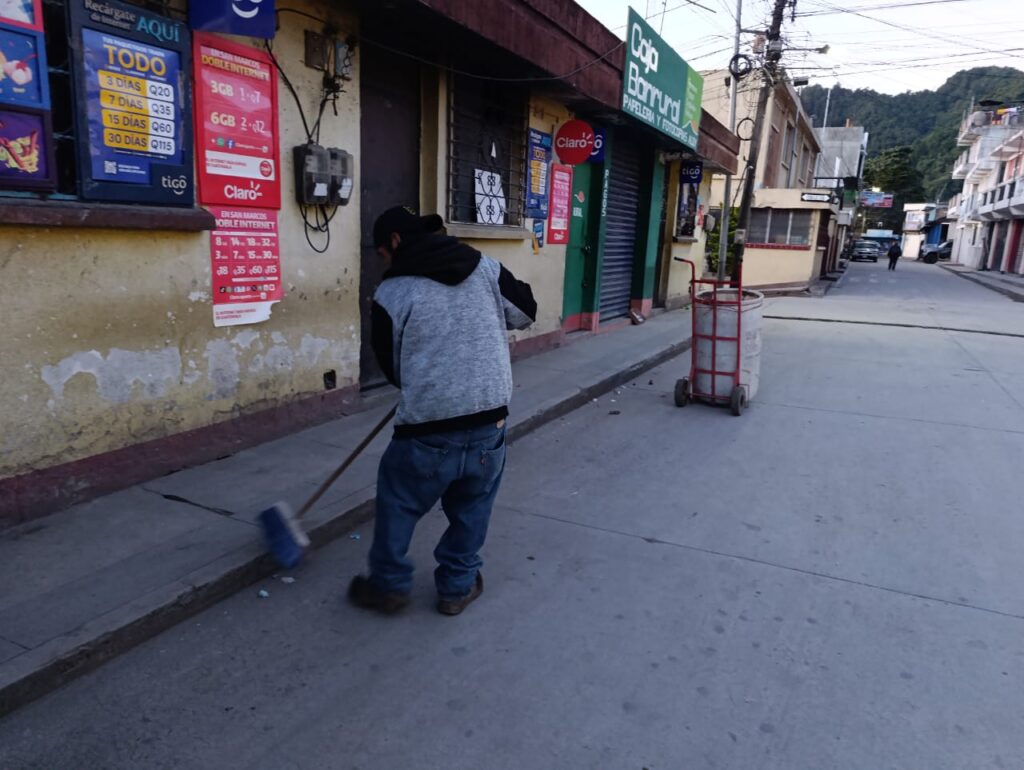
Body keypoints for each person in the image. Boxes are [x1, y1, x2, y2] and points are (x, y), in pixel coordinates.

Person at [348, 206, 537, 616]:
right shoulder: (485, 268)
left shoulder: (391, 293)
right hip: (491, 420)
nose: (384, 261)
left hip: (427, 429)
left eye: (381, 253)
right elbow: (526, 311)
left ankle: (388, 585)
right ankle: (457, 587)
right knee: (472, 508)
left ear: (395, 242)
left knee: (398, 501)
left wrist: (426, 379)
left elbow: (394, 370)